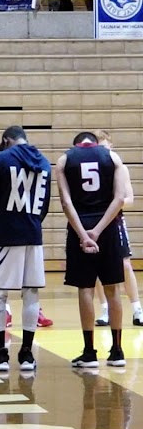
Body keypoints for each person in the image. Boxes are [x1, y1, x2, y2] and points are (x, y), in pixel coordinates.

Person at [0, 126, 51, 374]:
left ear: (6, 140)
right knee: (31, 293)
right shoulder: (44, 162)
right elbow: (44, 205)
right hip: (33, 233)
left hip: (6, 233)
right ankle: (27, 355)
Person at [55, 131, 126, 368]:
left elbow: (66, 202)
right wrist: (98, 230)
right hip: (107, 228)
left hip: (79, 228)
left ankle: (89, 352)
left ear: (76, 145)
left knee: (85, 289)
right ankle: (117, 351)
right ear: (95, 144)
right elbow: (119, 199)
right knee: (113, 289)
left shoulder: (65, 159)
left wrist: (84, 234)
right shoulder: (112, 158)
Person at [93, 130, 143, 327]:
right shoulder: (91, 171)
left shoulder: (119, 167)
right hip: (96, 221)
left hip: (115, 221)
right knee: (96, 267)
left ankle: (137, 308)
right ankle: (105, 309)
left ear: (111, 147)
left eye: (105, 148)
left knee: (125, 264)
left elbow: (129, 199)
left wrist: (115, 203)